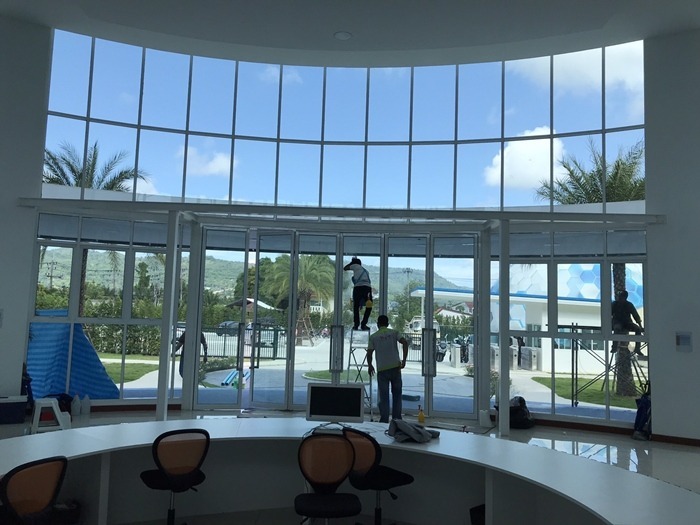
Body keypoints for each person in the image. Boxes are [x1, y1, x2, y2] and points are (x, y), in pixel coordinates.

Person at [367, 314, 409, 423]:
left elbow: (369, 353)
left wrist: (370, 365)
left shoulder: (373, 337)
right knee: (397, 395)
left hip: (382, 369)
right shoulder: (394, 333)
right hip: (395, 367)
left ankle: (384, 420)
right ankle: (397, 420)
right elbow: (405, 342)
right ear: (387, 323)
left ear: (378, 324)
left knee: (384, 397)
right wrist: (404, 360)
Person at [611, 290, 644, 357]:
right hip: (617, 322)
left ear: (625, 297)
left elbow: (635, 315)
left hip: (627, 323)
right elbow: (608, 314)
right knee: (617, 328)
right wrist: (610, 324)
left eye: (622, 297)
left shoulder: (629, 305)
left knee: (638, 329)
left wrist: (640, 326)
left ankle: (637, 348)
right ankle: (614, 347)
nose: (620, 298)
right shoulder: (614, 304)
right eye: (620, 297)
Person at [343, 257, 373, 330]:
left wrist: (351, 263)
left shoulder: (355, 266)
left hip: (358, 288)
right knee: (369, 306)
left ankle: (356, 324)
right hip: (367, 288)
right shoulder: (366, 271)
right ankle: (364, 324)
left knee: (356, 306)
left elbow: (345, 268)